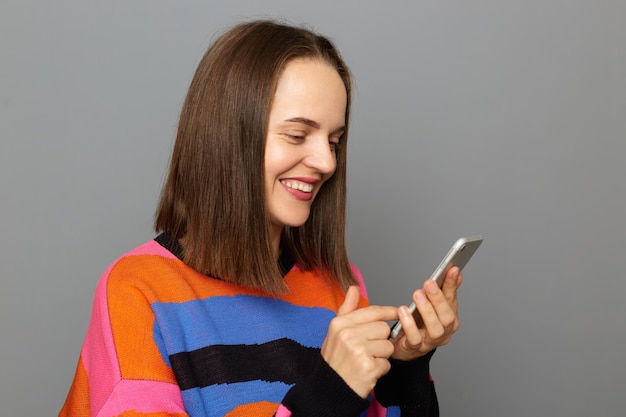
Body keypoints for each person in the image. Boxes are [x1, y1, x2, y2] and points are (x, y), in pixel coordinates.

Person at [59, 19, 462, 417]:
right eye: (297, 135)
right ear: (229, 136)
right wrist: (328, 393)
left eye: (334, 141)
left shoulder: (341, 288)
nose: (325, 162)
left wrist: (407, 365)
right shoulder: (137, 293)